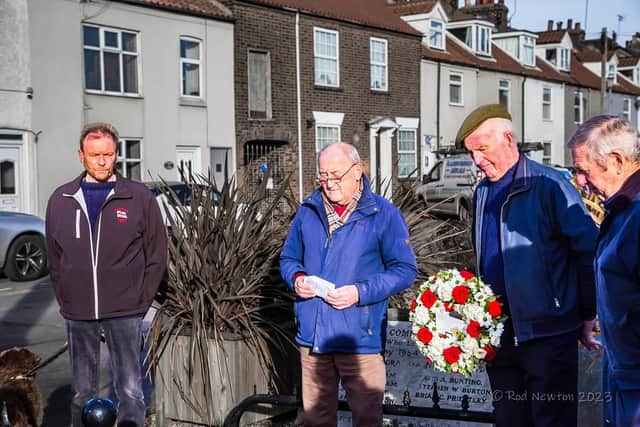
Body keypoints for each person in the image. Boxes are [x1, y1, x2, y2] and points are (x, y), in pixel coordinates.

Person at [455, 104, 600, 427]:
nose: (477, 160)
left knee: (552, 421)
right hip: (499, 336)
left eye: (482, 149)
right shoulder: (481, 191)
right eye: (471, 153)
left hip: (548, 335)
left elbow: (587, 251)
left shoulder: (549, 185)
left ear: (508, 139)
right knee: (508, 421)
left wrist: (587, 313)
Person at [280, 142, 417, 426]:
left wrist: (360, 292)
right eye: (322, 175)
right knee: (316, 420)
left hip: (360, 339)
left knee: (367, 419)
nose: (328, 183)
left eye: (335, 175)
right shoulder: (308, 210)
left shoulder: (384, 214)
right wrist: (296, 278)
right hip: (314, 337)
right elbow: (288, 257)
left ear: (357, 171)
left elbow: (405, 270)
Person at [45, 122, 167, 427]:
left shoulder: (138, 198)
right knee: (81, 393)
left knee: (130, 391)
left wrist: (140, 302)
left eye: (108, 154)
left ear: (116, 155)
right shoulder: (61, 200)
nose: (102, 160)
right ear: (81, 156)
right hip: (79, 312)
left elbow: (157, 255)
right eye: (95, 154)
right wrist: (68, 300)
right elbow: (55, 259)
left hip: (126, 312)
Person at [568, 115, 640, 427]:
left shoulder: (637, 217)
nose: (579, 181)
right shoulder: (622, 210)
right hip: (623, 374)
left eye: (584, 171)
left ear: (616, 161)